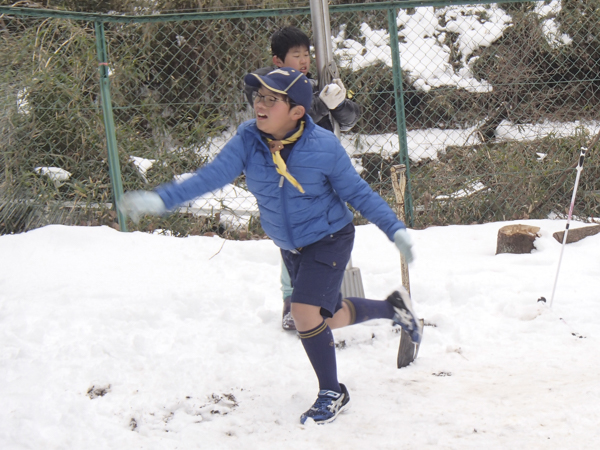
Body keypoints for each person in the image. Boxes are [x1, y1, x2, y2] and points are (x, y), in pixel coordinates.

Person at [118, 68, 421, 425]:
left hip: (329, 237)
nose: (259, 104)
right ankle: (393, 309)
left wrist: (394, 229)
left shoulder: (324, 147)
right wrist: (162, 199)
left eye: (270, 98)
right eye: (258, 96)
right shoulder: (248, 139)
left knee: (305, 313)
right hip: (290, 245)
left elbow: (358, 193)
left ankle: (332, 391)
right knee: (327, 317)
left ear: (297, 111)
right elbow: (210, 176)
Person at [244, 26, 362, 330]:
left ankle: (323, 304)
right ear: (278, 60)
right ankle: (291, 301)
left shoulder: (317, 83)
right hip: (287, 173)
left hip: (322, 172)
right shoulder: (269, 89)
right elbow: (297, 113)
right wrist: (321, 103)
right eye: (296, 55)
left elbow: (348, 121)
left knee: (328, 235)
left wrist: (339, 102)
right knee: (294, 239)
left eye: (306, 53)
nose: (304, 60)